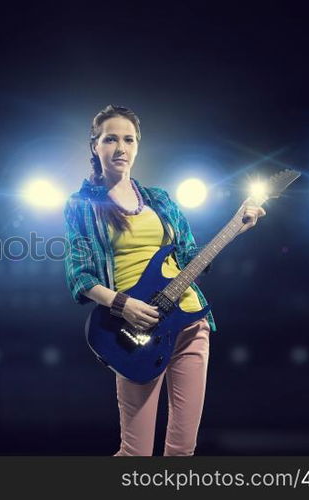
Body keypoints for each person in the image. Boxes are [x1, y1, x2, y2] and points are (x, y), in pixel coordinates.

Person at [63, 105, 265, 456]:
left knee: (182, 449)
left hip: (190, 322)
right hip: (137, 331)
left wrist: (236, 226)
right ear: (95, 145)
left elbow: (189, 259)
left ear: (138, 146)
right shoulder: (81, 205)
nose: (120, 148)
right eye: (111, 139)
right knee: (135, 453)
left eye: (129, 139)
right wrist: (122, 304)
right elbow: (79, 275)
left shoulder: (161, 200)